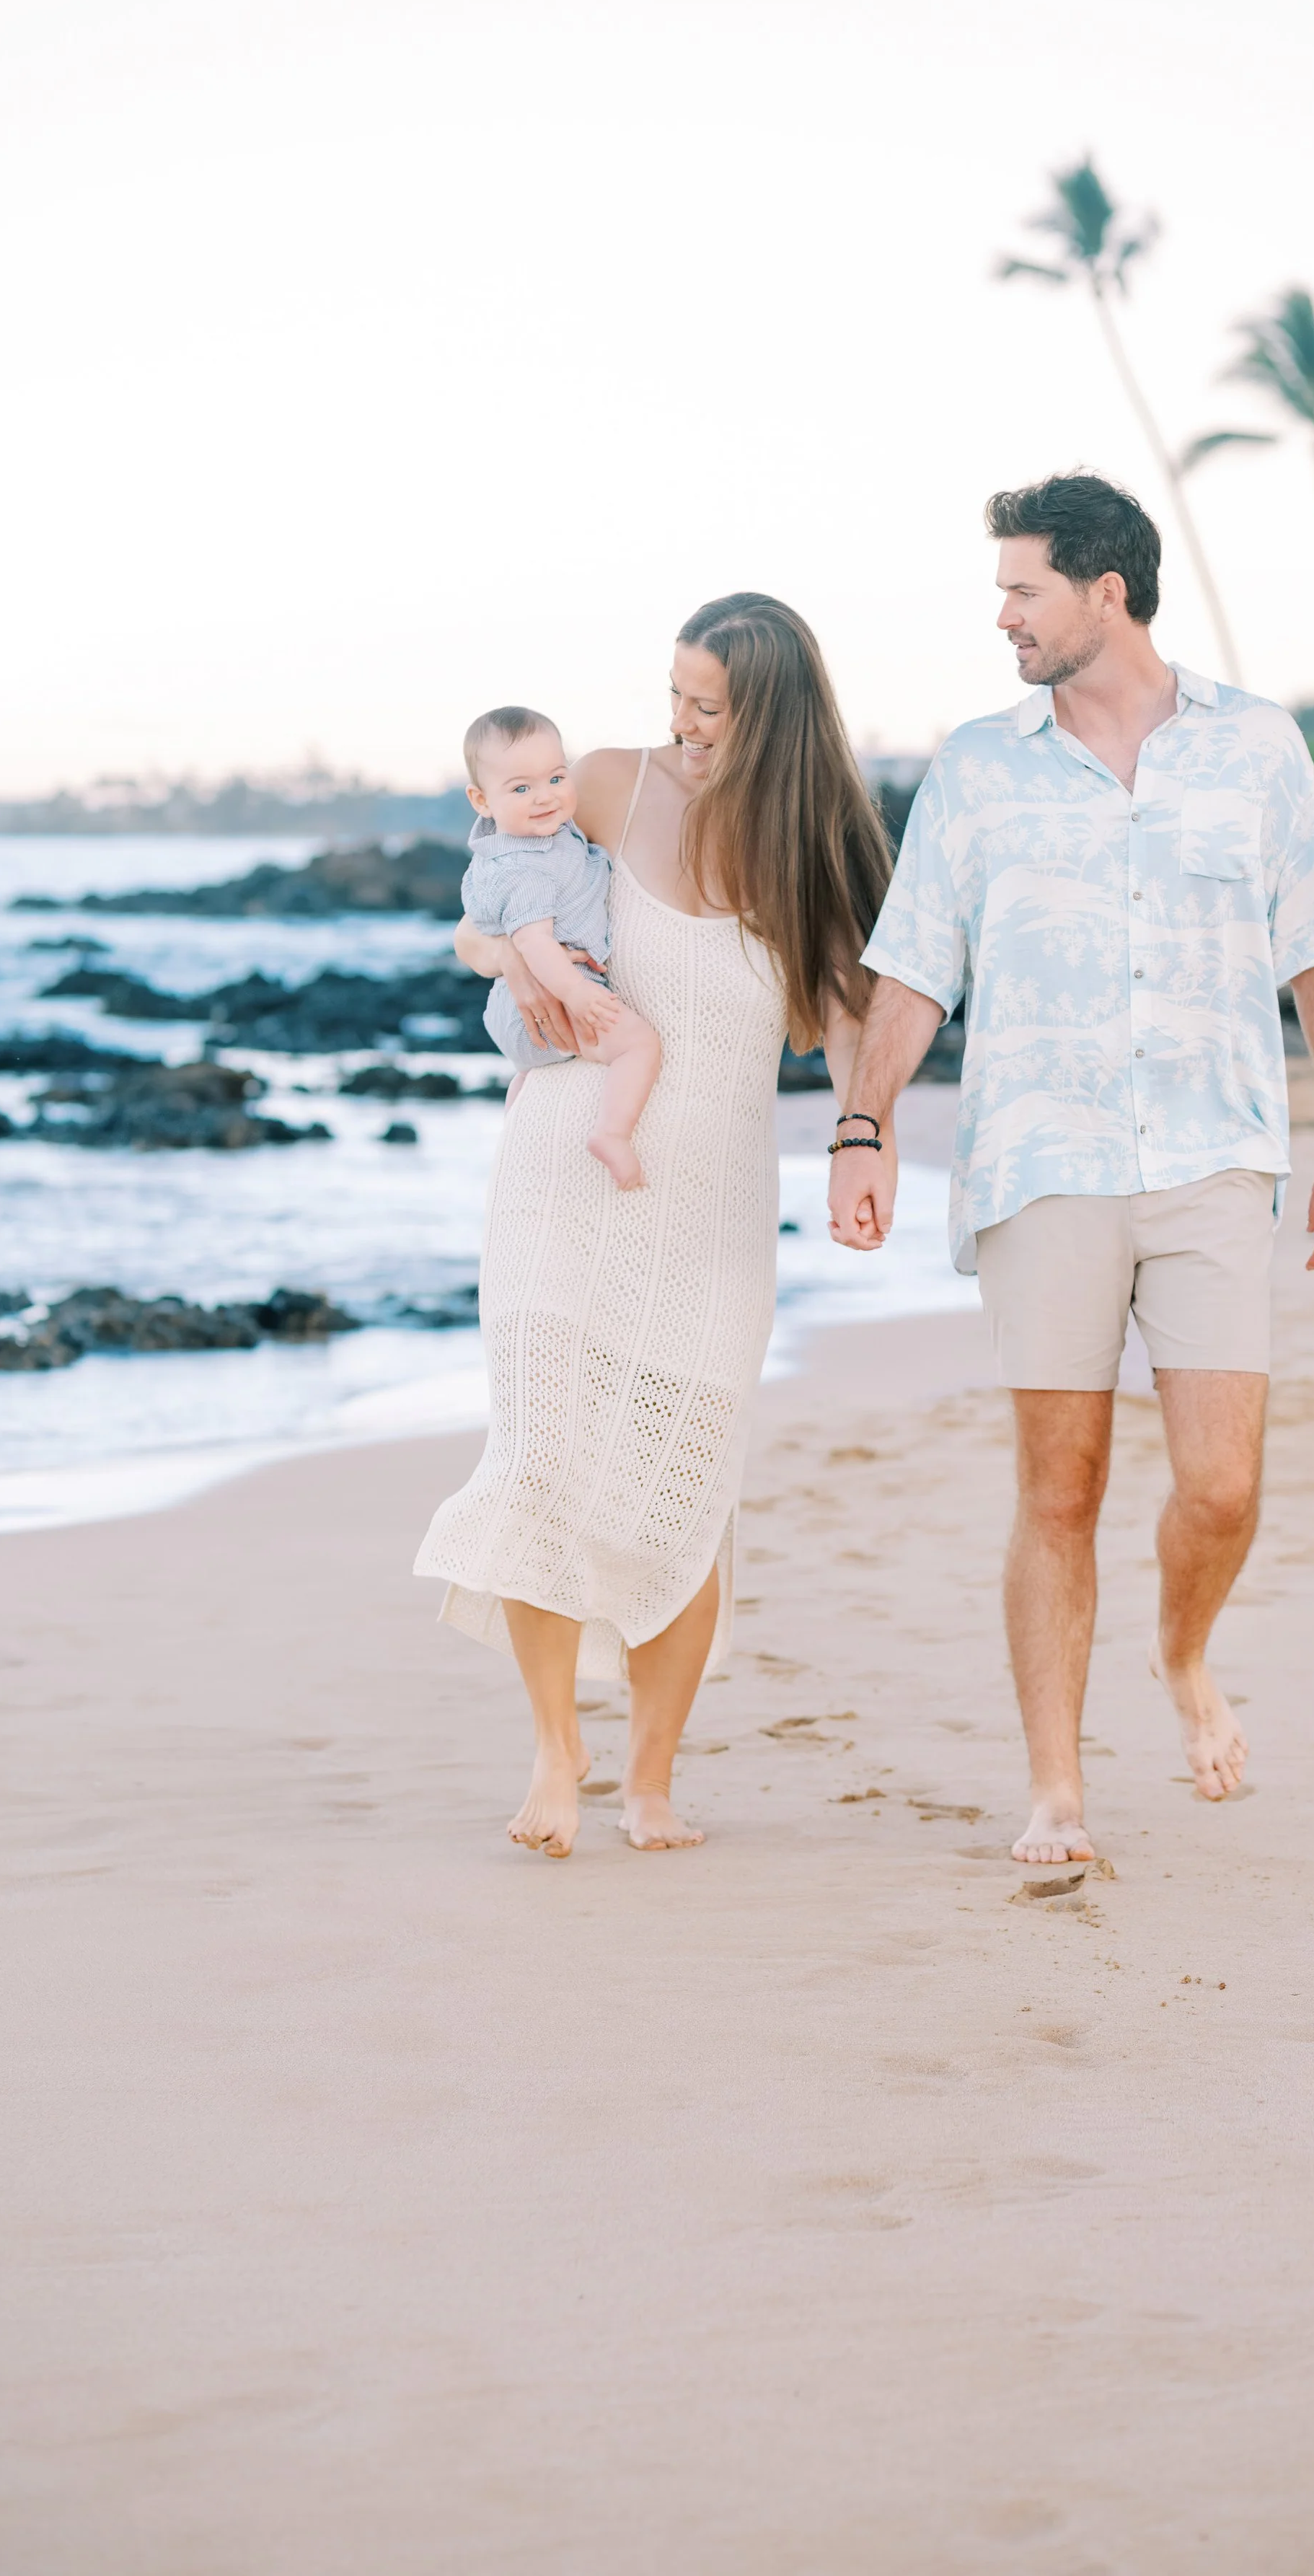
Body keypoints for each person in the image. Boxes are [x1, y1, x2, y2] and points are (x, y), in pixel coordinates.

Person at [828, 472, 1314, 1866]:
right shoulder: (976, 766)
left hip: (1214, 1156)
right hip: (1042, 1160)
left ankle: (1182, 1652)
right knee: (1059, 1489)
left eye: (1024, 589)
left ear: (1106, 591)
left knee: (1222, 1486)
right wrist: (863, 1126)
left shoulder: (1257, 746)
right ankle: (1057, 1793)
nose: (1003, 615)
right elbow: (915, 964)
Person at [417, 594, 891, 1857]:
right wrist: (517, 967)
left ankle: (651, 1777)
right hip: (562, 1172)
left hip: (711, 1206)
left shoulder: (815, 848)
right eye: (675, 693)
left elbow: (851, 1018)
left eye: (709, 707)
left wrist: (863, 1140)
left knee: (680, 1490)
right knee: (540, 1460)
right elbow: (482, 913)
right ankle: (555, 1750)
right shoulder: (611, 786)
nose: (681, 723)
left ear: (774, 716)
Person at [459, 703, 661, 1188]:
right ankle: (612, 1135)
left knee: (529, 1075)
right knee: (638, 1045)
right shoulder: (526, 870)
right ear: (482, 801)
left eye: (556, 777)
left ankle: (515, 1132)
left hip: (512, 1009)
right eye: (521, 788)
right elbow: (533, 942)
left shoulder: (527, 838)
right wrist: (578, 993)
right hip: (551, 997)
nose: (545, 797)